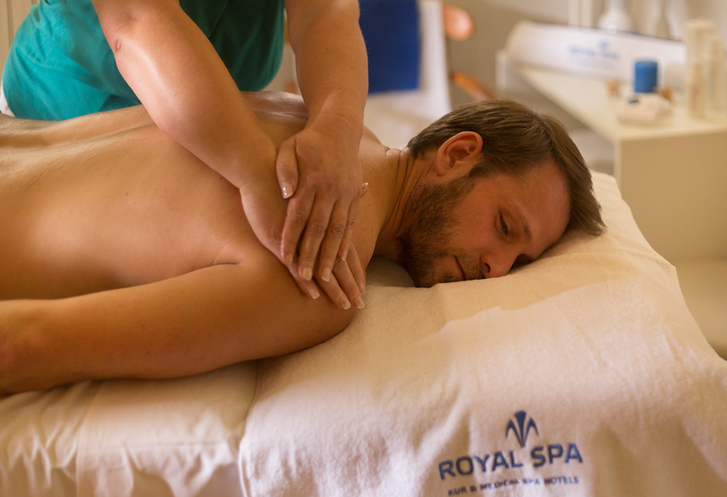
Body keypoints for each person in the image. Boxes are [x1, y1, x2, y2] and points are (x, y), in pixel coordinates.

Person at [0, 92, 604, 394]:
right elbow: (22, 344)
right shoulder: (322, 264)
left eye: (520, 261)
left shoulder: (310, 116)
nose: (496, 269)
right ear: (457, 154)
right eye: (505, 227)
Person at [0, 0, 369, 306]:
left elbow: (325, 10)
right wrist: (258, 174)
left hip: (208, 125)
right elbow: (136, 19)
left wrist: (338, 128)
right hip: (57, 116)